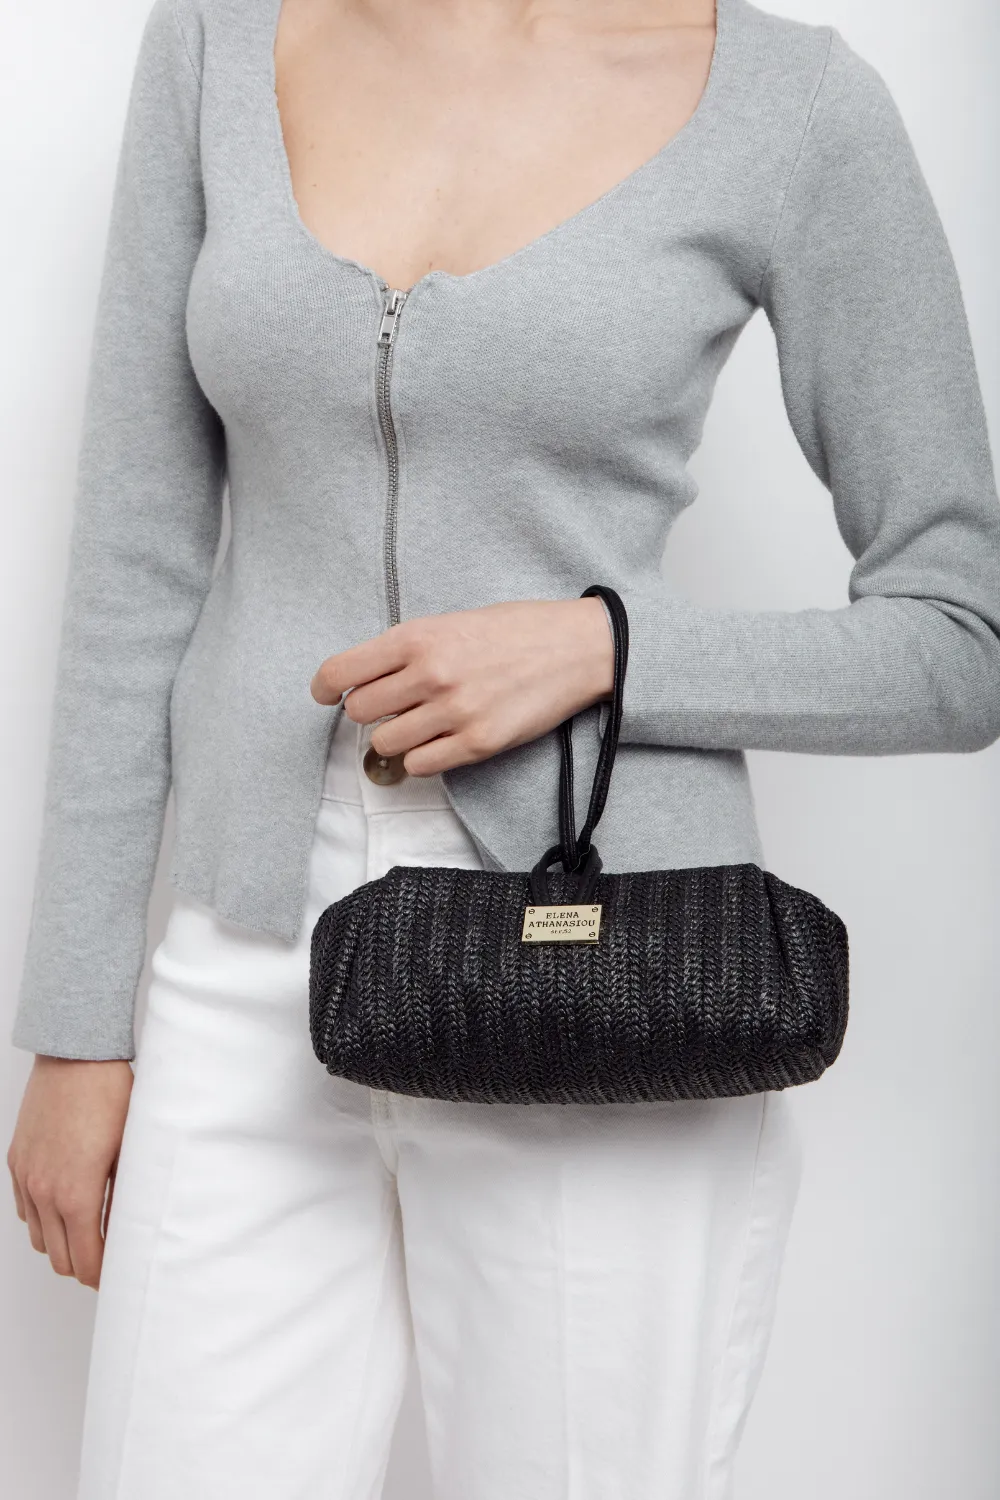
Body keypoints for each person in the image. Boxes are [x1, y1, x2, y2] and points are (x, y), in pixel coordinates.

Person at [7, 0, 1000, 1494]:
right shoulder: (219, 39)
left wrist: (606, 650)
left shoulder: (795, 105)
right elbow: (134, 568)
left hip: (605, 974)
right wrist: (79, 1025)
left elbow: (961, 632)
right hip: (248, 956)